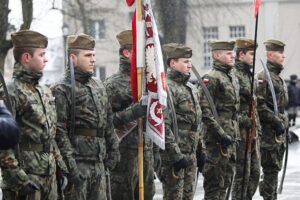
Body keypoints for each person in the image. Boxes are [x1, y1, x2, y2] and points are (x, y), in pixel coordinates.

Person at [0, 30, 68, 200]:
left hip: (48, 176)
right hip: (26, 178)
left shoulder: (44, 91)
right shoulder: (10, 92)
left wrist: (61, 166)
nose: (46, 59)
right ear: (26, 57)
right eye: (42, 54)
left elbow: (49, 136)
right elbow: (3, 141)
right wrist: (18, 178)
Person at [52, 33, 120, 200]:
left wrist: (114, 151)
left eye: (94, 55)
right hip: (78, 163)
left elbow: (108, 122)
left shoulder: (98, 86)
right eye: (88, 55)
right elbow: (59, 130)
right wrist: (70, 164)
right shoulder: (62, 88)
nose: (93, 60)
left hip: (99, 163)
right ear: (73, 58)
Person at [104, 30, 156, 200]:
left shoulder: (147, 84)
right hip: (123, 158)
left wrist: (155, 152)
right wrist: (131, 113)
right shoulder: (111, 85)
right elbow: (106, 123)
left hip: (146, 154)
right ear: (127, 53)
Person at [156, 43, 202, 200]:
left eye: (190, 62)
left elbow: (196, 123)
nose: (189, 65)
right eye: (185, 61)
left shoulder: (190, 87)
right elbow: (163, 125)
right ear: (172, 63)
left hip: (190, 153)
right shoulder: (166, 88)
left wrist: (200, 151)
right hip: (173, 156)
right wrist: (176, 156)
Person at [201, 40, 240, 200]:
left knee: (226, 182)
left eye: (233, 53)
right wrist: (221, 133)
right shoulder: (211, 78)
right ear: (217, 55)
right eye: (229, 53)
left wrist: (235, 134)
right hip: (216, 141)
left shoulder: (231, 76)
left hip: (230, 137)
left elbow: (233, 111)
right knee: (214, 187)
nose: (233, 56)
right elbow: (205, 110)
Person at [256, 39, 289, 200]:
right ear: (270, 54)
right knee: (270, 170)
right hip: (269, 134)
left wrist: (285, 127)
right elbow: (260, 106)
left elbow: (282, 108)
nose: (283, 56)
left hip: (278, 133)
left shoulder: (277, 78)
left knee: (275, 170)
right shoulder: (263, 77)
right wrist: (276, 123)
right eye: (280, 53)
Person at [231, 38, 261, 200]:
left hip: (253, 131)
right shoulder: (234, 75)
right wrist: (244, 120)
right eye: (251, 54)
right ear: (241, 55)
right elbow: (230, 108)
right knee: (241, 175)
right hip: (241, 132)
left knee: (254, 174)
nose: (254, 57)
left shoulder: (251, 75)